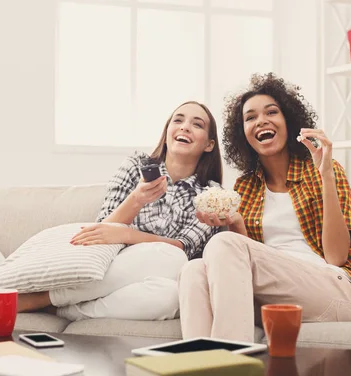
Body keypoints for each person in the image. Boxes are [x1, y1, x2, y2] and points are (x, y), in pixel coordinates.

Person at [178, 73, 351, 342]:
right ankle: (198, 367)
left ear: (289, 121)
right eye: (250, 117)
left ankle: (232, 367)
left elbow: (337, 256)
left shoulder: (321, 170)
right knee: (193, 271)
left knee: (223, 244)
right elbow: (244, 265)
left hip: (332, 290)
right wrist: (235, 223)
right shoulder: (245, 187)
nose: (261, 121)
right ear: (243, 134)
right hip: (273, 299)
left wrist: (326, 173)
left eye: (272, 112)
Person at [18, 101, 223, 321]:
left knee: (172, 293)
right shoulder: (136, 165)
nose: (185, 127)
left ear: (209, 145)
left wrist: (128, 234)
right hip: (114, 262)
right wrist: (136, 199)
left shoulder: (211, 194)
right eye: (178, 120)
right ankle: (49, 297)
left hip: (164, 272)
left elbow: (183, 248)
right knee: (170, 257)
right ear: (167, 133)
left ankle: (62, 308)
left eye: (197, 124)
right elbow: (102, 230)